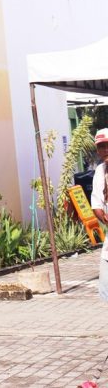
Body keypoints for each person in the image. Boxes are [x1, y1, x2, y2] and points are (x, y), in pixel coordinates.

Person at [90, 128, 108, 301]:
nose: (105, 150)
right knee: (105, 288)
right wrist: (104, 218)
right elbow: (96, 205)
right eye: (101, 146)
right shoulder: (100, 171)